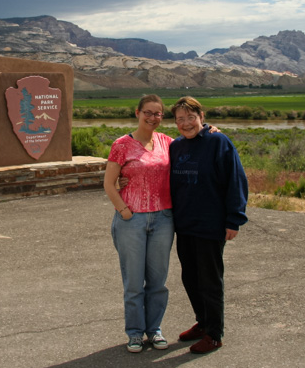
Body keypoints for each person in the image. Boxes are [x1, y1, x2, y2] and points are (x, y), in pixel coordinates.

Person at [169, 96, 248, 354]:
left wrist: (234, 218)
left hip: (210, 224)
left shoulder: (218, 141)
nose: (186, 123)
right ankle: (202, 323)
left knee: (210, 280)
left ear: (201, 116)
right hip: (185, 224)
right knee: (190, 277)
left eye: (191, 117)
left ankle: (215, 334)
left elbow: (235, 180)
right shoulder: (176, 146)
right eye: (180, 119)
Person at [104, 95, 174, 353]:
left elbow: (195, 145)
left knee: (158, 281)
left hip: (164, 219)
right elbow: (109, 184)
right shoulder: (122, 145)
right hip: (131, 219)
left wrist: (212, 130)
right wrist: (124, 211)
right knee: (133, 282)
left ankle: (154, 329)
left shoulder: (168, 143)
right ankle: (134, 333)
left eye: (158, 113)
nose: (153, 117)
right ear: (137, 113)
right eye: (148, 112)